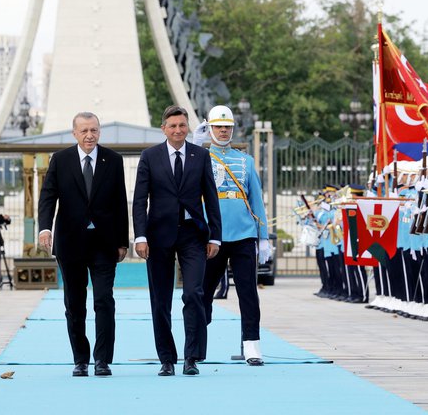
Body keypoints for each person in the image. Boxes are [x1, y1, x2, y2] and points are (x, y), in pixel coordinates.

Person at [38, 112, 129, 377]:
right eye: (84, 131)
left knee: (104, 301)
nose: (90, 135)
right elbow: (47, 197)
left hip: (104, 244)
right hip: (70, 244)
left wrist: (122, 241)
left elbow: (119, 201)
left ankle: (102, 360)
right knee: (74, 304)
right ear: (74, 133)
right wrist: (45, 228)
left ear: (99, 131)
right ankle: (81, 359)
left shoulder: (113, 160)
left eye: (94, 130)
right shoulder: (61, 160)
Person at [133, 105, 221, 376]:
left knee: (194, 293)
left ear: (187, 127)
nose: (178, 130)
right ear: (164, 129)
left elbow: (211, 197)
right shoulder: (150, 156)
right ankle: (167, 359)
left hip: (193, 235)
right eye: (172, 126)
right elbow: (139, 200)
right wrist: (140, 235)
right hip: (158, 236)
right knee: (160, 300)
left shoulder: (201, 156)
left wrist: (215, 236)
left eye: (182, 125)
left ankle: (191, 357)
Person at [192, 104, 270, 366]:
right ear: (209, 128)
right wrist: (194, 146)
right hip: (212, 236)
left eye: (227, 127)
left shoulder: (245, 161)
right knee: (203, 293)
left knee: (248, 292)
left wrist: (263, 236)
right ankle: (198, 345)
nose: (223, 131)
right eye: (218, 127)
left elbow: (256, 200)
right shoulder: (200, 157)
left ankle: (251, 345)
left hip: (243, 235)